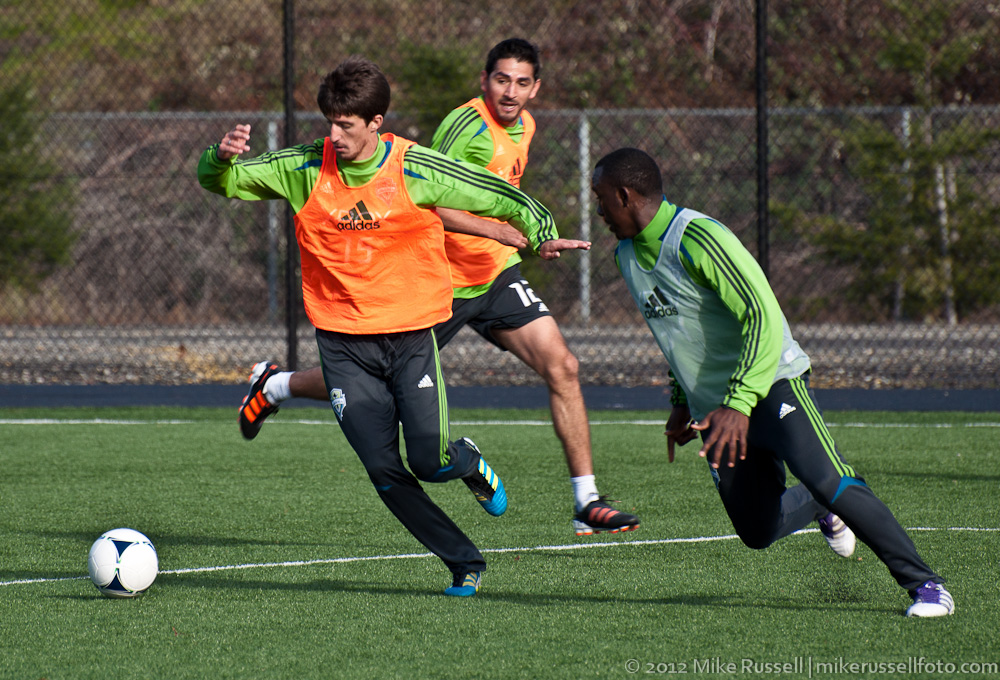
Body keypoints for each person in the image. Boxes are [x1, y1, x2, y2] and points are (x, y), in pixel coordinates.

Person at [199, 56, 589, 597]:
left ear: (376, 122)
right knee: (384, 470)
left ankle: (466, 461)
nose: (334, 136)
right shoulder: (304, 167)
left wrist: (540, 231)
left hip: (410, 338)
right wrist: (219, 160)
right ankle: (463, 562)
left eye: (346, 125)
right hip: (342, 346)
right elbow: (224, 181)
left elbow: (496, 194)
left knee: (429, 460)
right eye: (330, 123)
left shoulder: (414, 167)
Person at [239, 38, 641, 537]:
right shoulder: (466, 125)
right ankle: (276, 385)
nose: (510, 92)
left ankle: (586, 500)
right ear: (484, 80)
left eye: (521, 82)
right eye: (501, 79)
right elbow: (427, 197)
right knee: (372, 382)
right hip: (441, 283)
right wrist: (493, 229)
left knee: (563, 365)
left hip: (495, 274)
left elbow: (494, 195)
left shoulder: (526, 127)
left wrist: (510, 237)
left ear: (535, 88)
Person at [590, 147, 954, 618]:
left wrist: (740, 403)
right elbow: (678, 332)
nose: (598, 211)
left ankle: (926, 586)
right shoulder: (625, 256)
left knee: (829, 478)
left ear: (625, 195)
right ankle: (821, 505)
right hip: (718, 410)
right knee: (757, 530)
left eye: (601, 198)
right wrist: (682, 401)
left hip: (771, 383)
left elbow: (761, 315)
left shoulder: (699, 237)